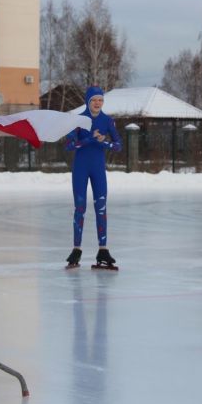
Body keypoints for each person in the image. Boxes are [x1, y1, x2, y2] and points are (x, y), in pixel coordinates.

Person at [64, 86, 122, 269]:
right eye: (94, 100)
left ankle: (103, 249)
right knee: (79, 208)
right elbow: (69, 145)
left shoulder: (107, 121)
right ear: (88, 101)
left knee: (101, 207)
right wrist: (89, 140)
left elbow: (118, 145)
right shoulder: (79, 120)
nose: (97, 103)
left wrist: (103, 141)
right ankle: (76, 249)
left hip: (98, 169)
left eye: (100, 100)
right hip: (81, 168)